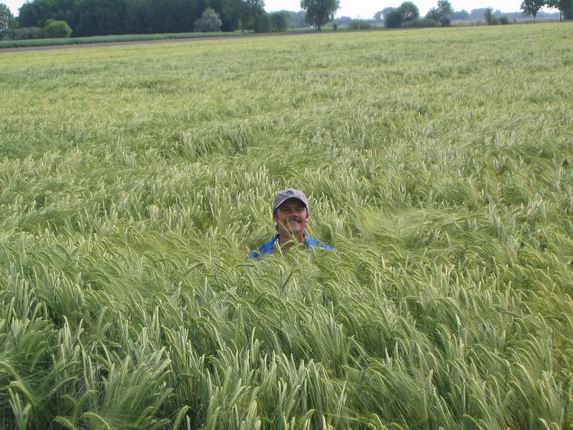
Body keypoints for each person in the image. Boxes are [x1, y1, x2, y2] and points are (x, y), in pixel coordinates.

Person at [248, 188, 334, 258]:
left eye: (299, 209)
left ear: (307, 217)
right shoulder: (257, 256)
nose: (293, 214)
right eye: (286, 210)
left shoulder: (326, 254)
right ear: (275, 216)